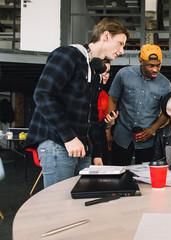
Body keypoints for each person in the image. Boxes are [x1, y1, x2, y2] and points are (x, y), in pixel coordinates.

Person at [25, 18, 129, 188]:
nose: (122, 51)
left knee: (77, 207)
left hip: (82, 149)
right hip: (60, 144)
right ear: (106, 36)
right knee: (59, 206)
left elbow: (92, 116)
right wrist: (69, 137)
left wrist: (96, 153)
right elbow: (43, 94)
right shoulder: (68, 55)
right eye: (120, 43)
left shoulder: (95, 72)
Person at [108, 44, 171, 166]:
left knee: (145, 177)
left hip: (148, 141)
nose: (155, 70)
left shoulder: (165, 84)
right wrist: (108, 131)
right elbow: (113, 100)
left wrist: (152, 130)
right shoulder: (123, 74)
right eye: (150, 66)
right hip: (121, 136)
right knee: (118, 175)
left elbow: (166, 112)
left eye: (158, 65)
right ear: (141, 61)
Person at [98, 59, 114, 165]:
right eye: (103, 71)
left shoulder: (104, 95)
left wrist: (109, 123)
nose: (106, 75)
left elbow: (104, 124)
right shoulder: (84, 91)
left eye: (108, 72)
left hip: (100, 138)